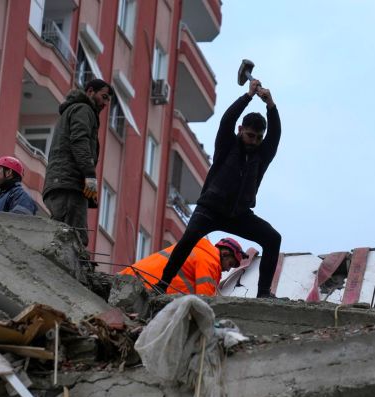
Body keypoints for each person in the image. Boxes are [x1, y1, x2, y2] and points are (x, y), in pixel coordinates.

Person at [156, 79, 281, 298]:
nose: (254, 141)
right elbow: (228, 119)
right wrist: (248, 96)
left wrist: (270, 104)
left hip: (239, 214)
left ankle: (263, 294)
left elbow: (275, 135)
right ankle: (161, 285)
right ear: (241, 130)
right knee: (187, 241)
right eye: (251, 135)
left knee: (273, 238)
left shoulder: (262, 155)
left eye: (259, 137)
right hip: (210, 209)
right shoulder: (227, 144)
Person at [42, 78, 113, 246]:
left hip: (64, 182)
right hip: (69, 184)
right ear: (90, 92)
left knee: (65, 234)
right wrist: (89, 176)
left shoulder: (76, 110)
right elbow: (79, 142)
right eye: (103, 97)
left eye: (108, 100)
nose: (105, 103)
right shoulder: (83, 109)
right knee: (74, 238)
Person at [120, 237, 247, 296]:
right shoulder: (209, 261)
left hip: (128, 279)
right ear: (224, 253)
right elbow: (205, 301)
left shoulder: (196, 249)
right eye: (230, 264)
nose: (228, 269)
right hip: (143, 289)